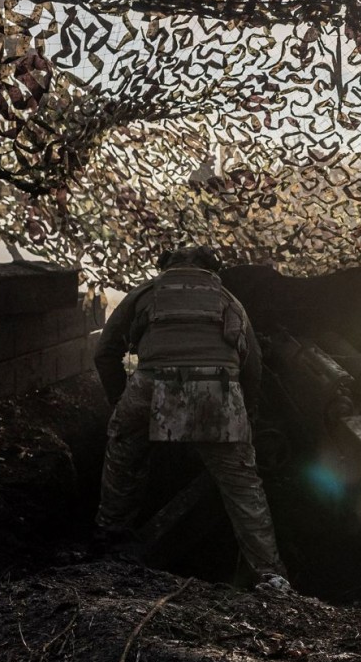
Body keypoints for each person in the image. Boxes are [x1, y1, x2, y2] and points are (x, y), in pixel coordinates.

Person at [93, 245, 290, 592]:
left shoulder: (147, 292)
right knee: (243, 488)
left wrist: (120, 403)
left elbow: (104, 351)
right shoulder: (228, 299)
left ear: (165, 266)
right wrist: (249, 417)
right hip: (217, 391)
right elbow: (253, 365)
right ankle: (271, 575)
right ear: (212, 269)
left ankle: (108, 545)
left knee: (123, 459)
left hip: (150, 385)